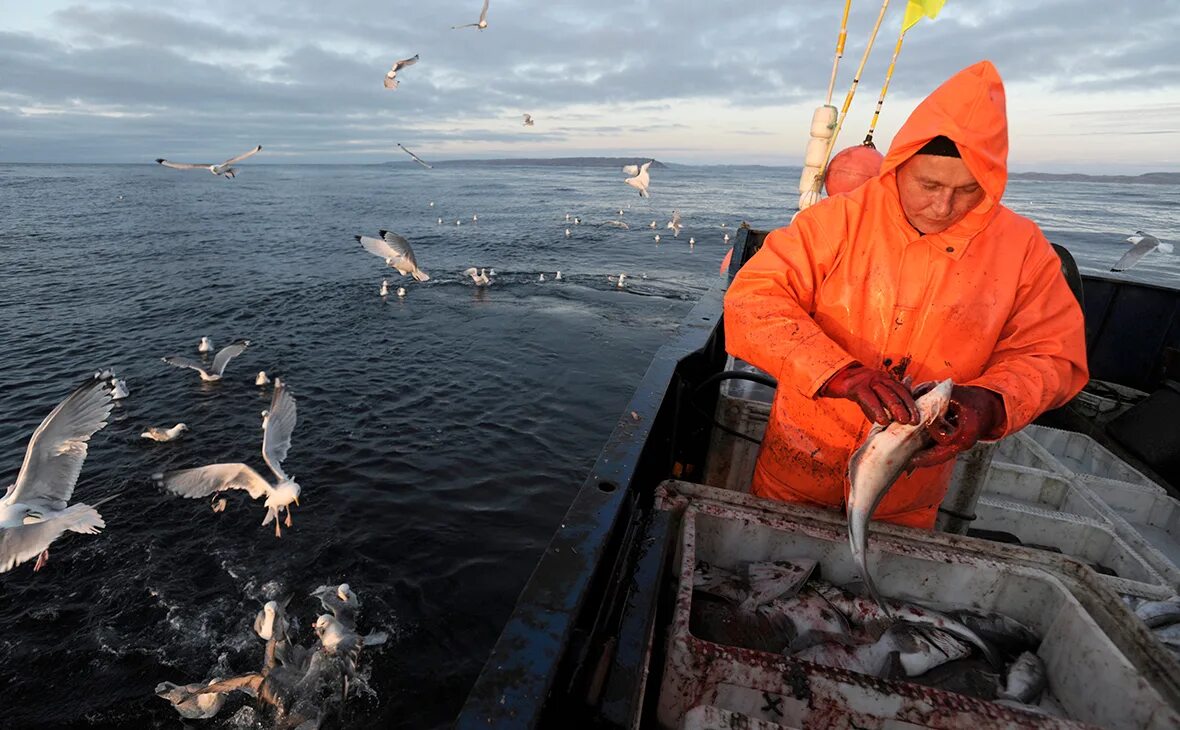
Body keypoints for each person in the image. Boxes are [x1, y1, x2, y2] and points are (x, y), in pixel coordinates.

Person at [723, 60, 1088, 529]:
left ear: (992, 182)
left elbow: (1053, 355)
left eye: (968, 189)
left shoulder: (1024, 250)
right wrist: (841, 375)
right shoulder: (834, 221)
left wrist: (995, 401)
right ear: (899, 166)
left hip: (908, 497)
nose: (942, 205)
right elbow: (753, 301)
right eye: (929, 184)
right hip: (795, 467)